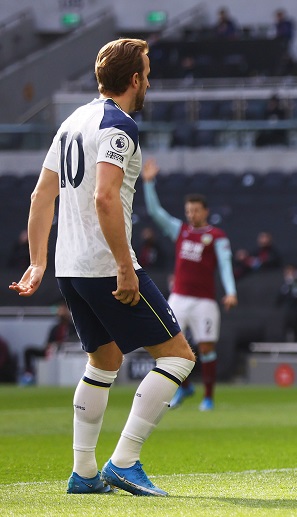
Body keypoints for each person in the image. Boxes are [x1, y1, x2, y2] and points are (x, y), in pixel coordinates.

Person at [9, 38, 196, 496]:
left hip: (70, 268)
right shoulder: (119, 127)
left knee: (104, 359)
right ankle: (124, 461)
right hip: (103, 264)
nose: (148, 81)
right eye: (147, 74)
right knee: (177, 357)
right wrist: (124, 267)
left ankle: (85, 473)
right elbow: (105, 196)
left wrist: (38, 262)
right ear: (134, 79)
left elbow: (40, 196)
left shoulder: (72, 121)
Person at [141, 158, 238, 412]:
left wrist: (231, 292)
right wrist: (149, 183)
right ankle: (184, 388)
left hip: (204, 300)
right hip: (179, 298)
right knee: (168, 344)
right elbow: (156, 213)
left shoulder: (216, 237)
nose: (192, 215)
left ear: (205, 211)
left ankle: (208, 397)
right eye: (188, 211)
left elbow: (226, 265)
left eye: (196, 210)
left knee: (206, 348)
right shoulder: (180, 231)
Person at [21, 301, 78, 385]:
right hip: (52, 351)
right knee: (28, 350)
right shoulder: (55, 328)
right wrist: (50, 346)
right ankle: (28, 374)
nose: (61, 313)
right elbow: (48, 342)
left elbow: (74, 341)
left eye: (63, 310)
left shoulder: (73, 328)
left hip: (66, 352)